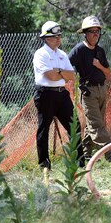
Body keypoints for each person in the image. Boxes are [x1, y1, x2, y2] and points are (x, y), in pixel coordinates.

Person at [68, 16, 111, 164]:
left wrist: (99, 66)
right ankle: (109, 154)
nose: (95, 34)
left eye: (97, 31)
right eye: (92, 32)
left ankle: (86, 153)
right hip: (88, 92)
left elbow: (108, 72)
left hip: (102, 89)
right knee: (96, 124)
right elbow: (66, 65)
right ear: (85, 33)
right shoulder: (78, 50)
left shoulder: (100, 51)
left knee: (95, 123)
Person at [33, 21, 85, 170]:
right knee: (44, 129)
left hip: (62, 94)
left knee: (74, 125)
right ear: (46, 38)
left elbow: (72, 76)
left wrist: (59, 71)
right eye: (55, 36)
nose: (58, 39)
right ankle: (44, 164)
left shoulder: (62, 54)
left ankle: (79, 162)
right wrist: (62, 73)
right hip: (45, 94)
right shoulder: (40, 54)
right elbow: (50, 77)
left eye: (59, 36)